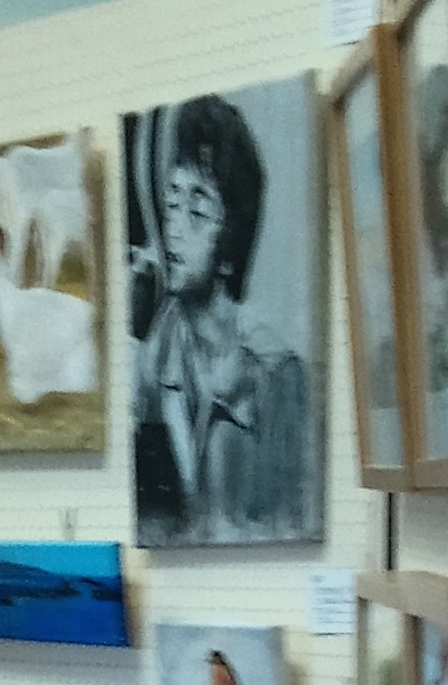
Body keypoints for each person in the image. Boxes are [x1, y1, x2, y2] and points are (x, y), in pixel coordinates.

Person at [127, 90, 314, 540]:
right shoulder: (152, 364)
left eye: (196, 211)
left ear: (230, 244)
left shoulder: (276, 376)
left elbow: (287, 527)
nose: (174, 228)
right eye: (171, 204)